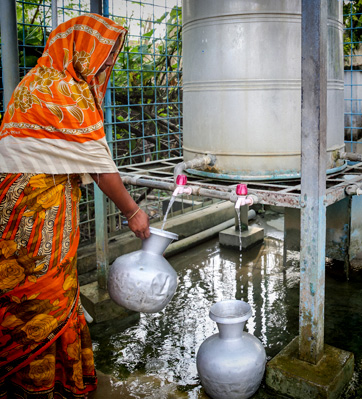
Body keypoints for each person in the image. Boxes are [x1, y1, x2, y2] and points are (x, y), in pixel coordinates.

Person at [0, 13, 150, 398]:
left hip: (10, 209)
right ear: (81, 53)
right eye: (100, 58)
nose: (102, 67)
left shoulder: (32, 84)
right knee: (45, 295)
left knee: (17, 291)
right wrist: (133, 212)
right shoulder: (66, 92)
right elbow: (100, 168)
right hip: (38, 214)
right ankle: (44, 387)